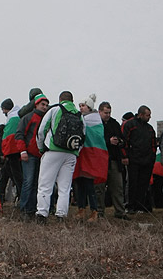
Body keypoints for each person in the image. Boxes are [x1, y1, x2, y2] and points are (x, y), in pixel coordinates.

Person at [35, 91, 84, 222]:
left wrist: (41, 148)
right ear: (72, 100)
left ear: (60, 99)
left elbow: (41, 130)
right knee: (65, 187)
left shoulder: (55, 110)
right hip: (71, 154)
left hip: (53, 150)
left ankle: (42, 214)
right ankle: (61, 215)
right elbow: (83, 136)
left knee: (45, 184)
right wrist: (76, 151)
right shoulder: (79, 115)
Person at [72, 94, 107, 221]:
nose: (81, 108)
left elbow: (96, 137)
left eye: (83, 106)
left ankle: (94, 211)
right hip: (82, 155)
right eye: (80, 106)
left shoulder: (94, 120)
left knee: (89, 184)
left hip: (90, 156)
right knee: (79, 183)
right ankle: (81, 209)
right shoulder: (81, 119)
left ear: (89, 107)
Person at [14, 93, 48, 219]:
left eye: (46, 105)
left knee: (36, 183)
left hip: (40, 155)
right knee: (28, 182)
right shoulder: (28, 118)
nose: (45, 107)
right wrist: (22, 151)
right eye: (42, 104)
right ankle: (23, 209)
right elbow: (19, 134)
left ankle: (31, 209)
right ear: (36, 104)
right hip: (29, 154)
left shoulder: (46, 119)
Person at [122, 106, 157, 213]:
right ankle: (130, 206)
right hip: (133, 160)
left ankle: (140, 206)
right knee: (132, 183)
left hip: (146, 161)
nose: (149, 117)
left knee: (143, 184)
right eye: (147, 115)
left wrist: (152, 157)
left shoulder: (150, 128)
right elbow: (124, 141)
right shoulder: (130, 125)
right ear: (141, 114)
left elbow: (153, 144)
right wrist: (125, 156)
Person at [97, 101, 128, 220]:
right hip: (101, 160)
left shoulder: (114, 124)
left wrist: (118, 141)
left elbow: (123, 140)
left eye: (109, 112)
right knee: (99, 188)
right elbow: (95, 141)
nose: (107, 115)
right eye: (105, 112)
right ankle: (99, 212)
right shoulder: (96, 124)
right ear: (99, 112)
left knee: (118, 187)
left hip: (114, 159)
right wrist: (107, 141)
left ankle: (120, 211)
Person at [0, 98, 24, 203]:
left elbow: (8, 138)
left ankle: (20, 197)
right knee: (7, 175)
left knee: (16, 177)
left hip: (12, 152)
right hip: (14, 152)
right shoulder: (16, 117)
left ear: (5, 108)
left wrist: (5, 152)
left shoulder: (12, 119)